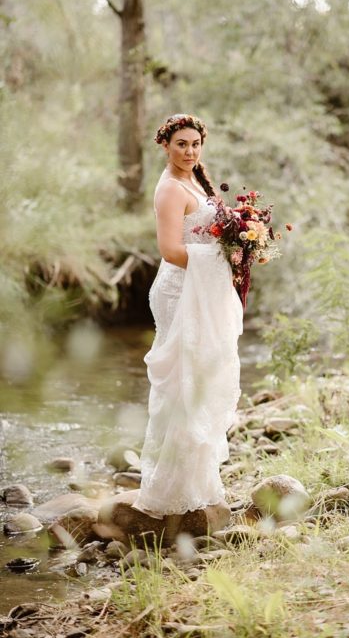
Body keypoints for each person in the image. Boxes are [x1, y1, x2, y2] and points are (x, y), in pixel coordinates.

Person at [133, 114, 243, 525]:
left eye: (195, 144)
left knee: (203, 378)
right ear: (165, 145)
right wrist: (219, 261)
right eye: (182, 144)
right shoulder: (169, 190)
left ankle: (198, 485)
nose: (190, 151)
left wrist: (239, 249)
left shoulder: (194, 180)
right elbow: (170, 250)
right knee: (183, 383)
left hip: (200, 288)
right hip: (180, 292)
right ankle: (170, 490)